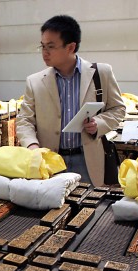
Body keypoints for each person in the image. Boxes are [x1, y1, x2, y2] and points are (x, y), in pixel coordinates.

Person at [16, 15, 125, 186]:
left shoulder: (101, 73)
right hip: (51, 161)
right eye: (42, 46)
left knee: (91, 209)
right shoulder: (35, 81)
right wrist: (32, 146)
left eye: (51, 47)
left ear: (71, 47)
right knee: (52, 211)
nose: (45, 52)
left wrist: (99, 123)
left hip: (88, 159)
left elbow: (118, 109)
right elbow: (24, 120)